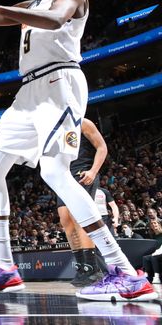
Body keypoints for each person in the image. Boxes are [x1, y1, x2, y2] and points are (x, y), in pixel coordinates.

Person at [0, 0, 155, 301]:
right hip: (28, 91)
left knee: (55, 173)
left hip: (60, 83)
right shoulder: (31, 3)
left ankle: (125, 272)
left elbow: (56, 20)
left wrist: (1, 7)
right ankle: (5, 268)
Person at [56, 118, 108, 286]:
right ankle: (81, 267)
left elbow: (102, 147)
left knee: (79, 218)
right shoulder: (54, 127)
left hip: (83, 173)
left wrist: (93, 171)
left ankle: (92, 269)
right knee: (66, 220)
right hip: (63, 177)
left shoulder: (83, 122)